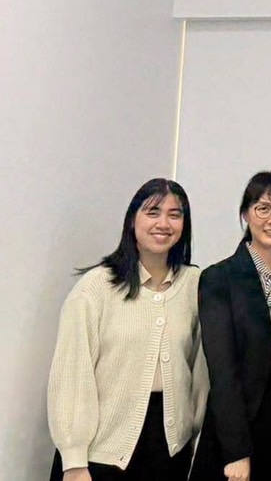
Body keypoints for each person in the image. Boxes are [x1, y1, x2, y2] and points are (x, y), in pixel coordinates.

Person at [48, 177, 208, 481]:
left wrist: (195, 436)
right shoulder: (96, 288)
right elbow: (72, 375)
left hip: (168, 451)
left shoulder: (195, 286)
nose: (163, 223)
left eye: (174, 215)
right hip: (99, 452)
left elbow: (201, 372)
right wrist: (74, 460)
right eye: (153, 212)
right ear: (132, 220)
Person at [192, 170, 271, 481]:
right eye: (263, 208)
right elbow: (222, 371)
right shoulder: (219, 278)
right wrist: (236, 451)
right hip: (242, 421)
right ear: (246, 214)